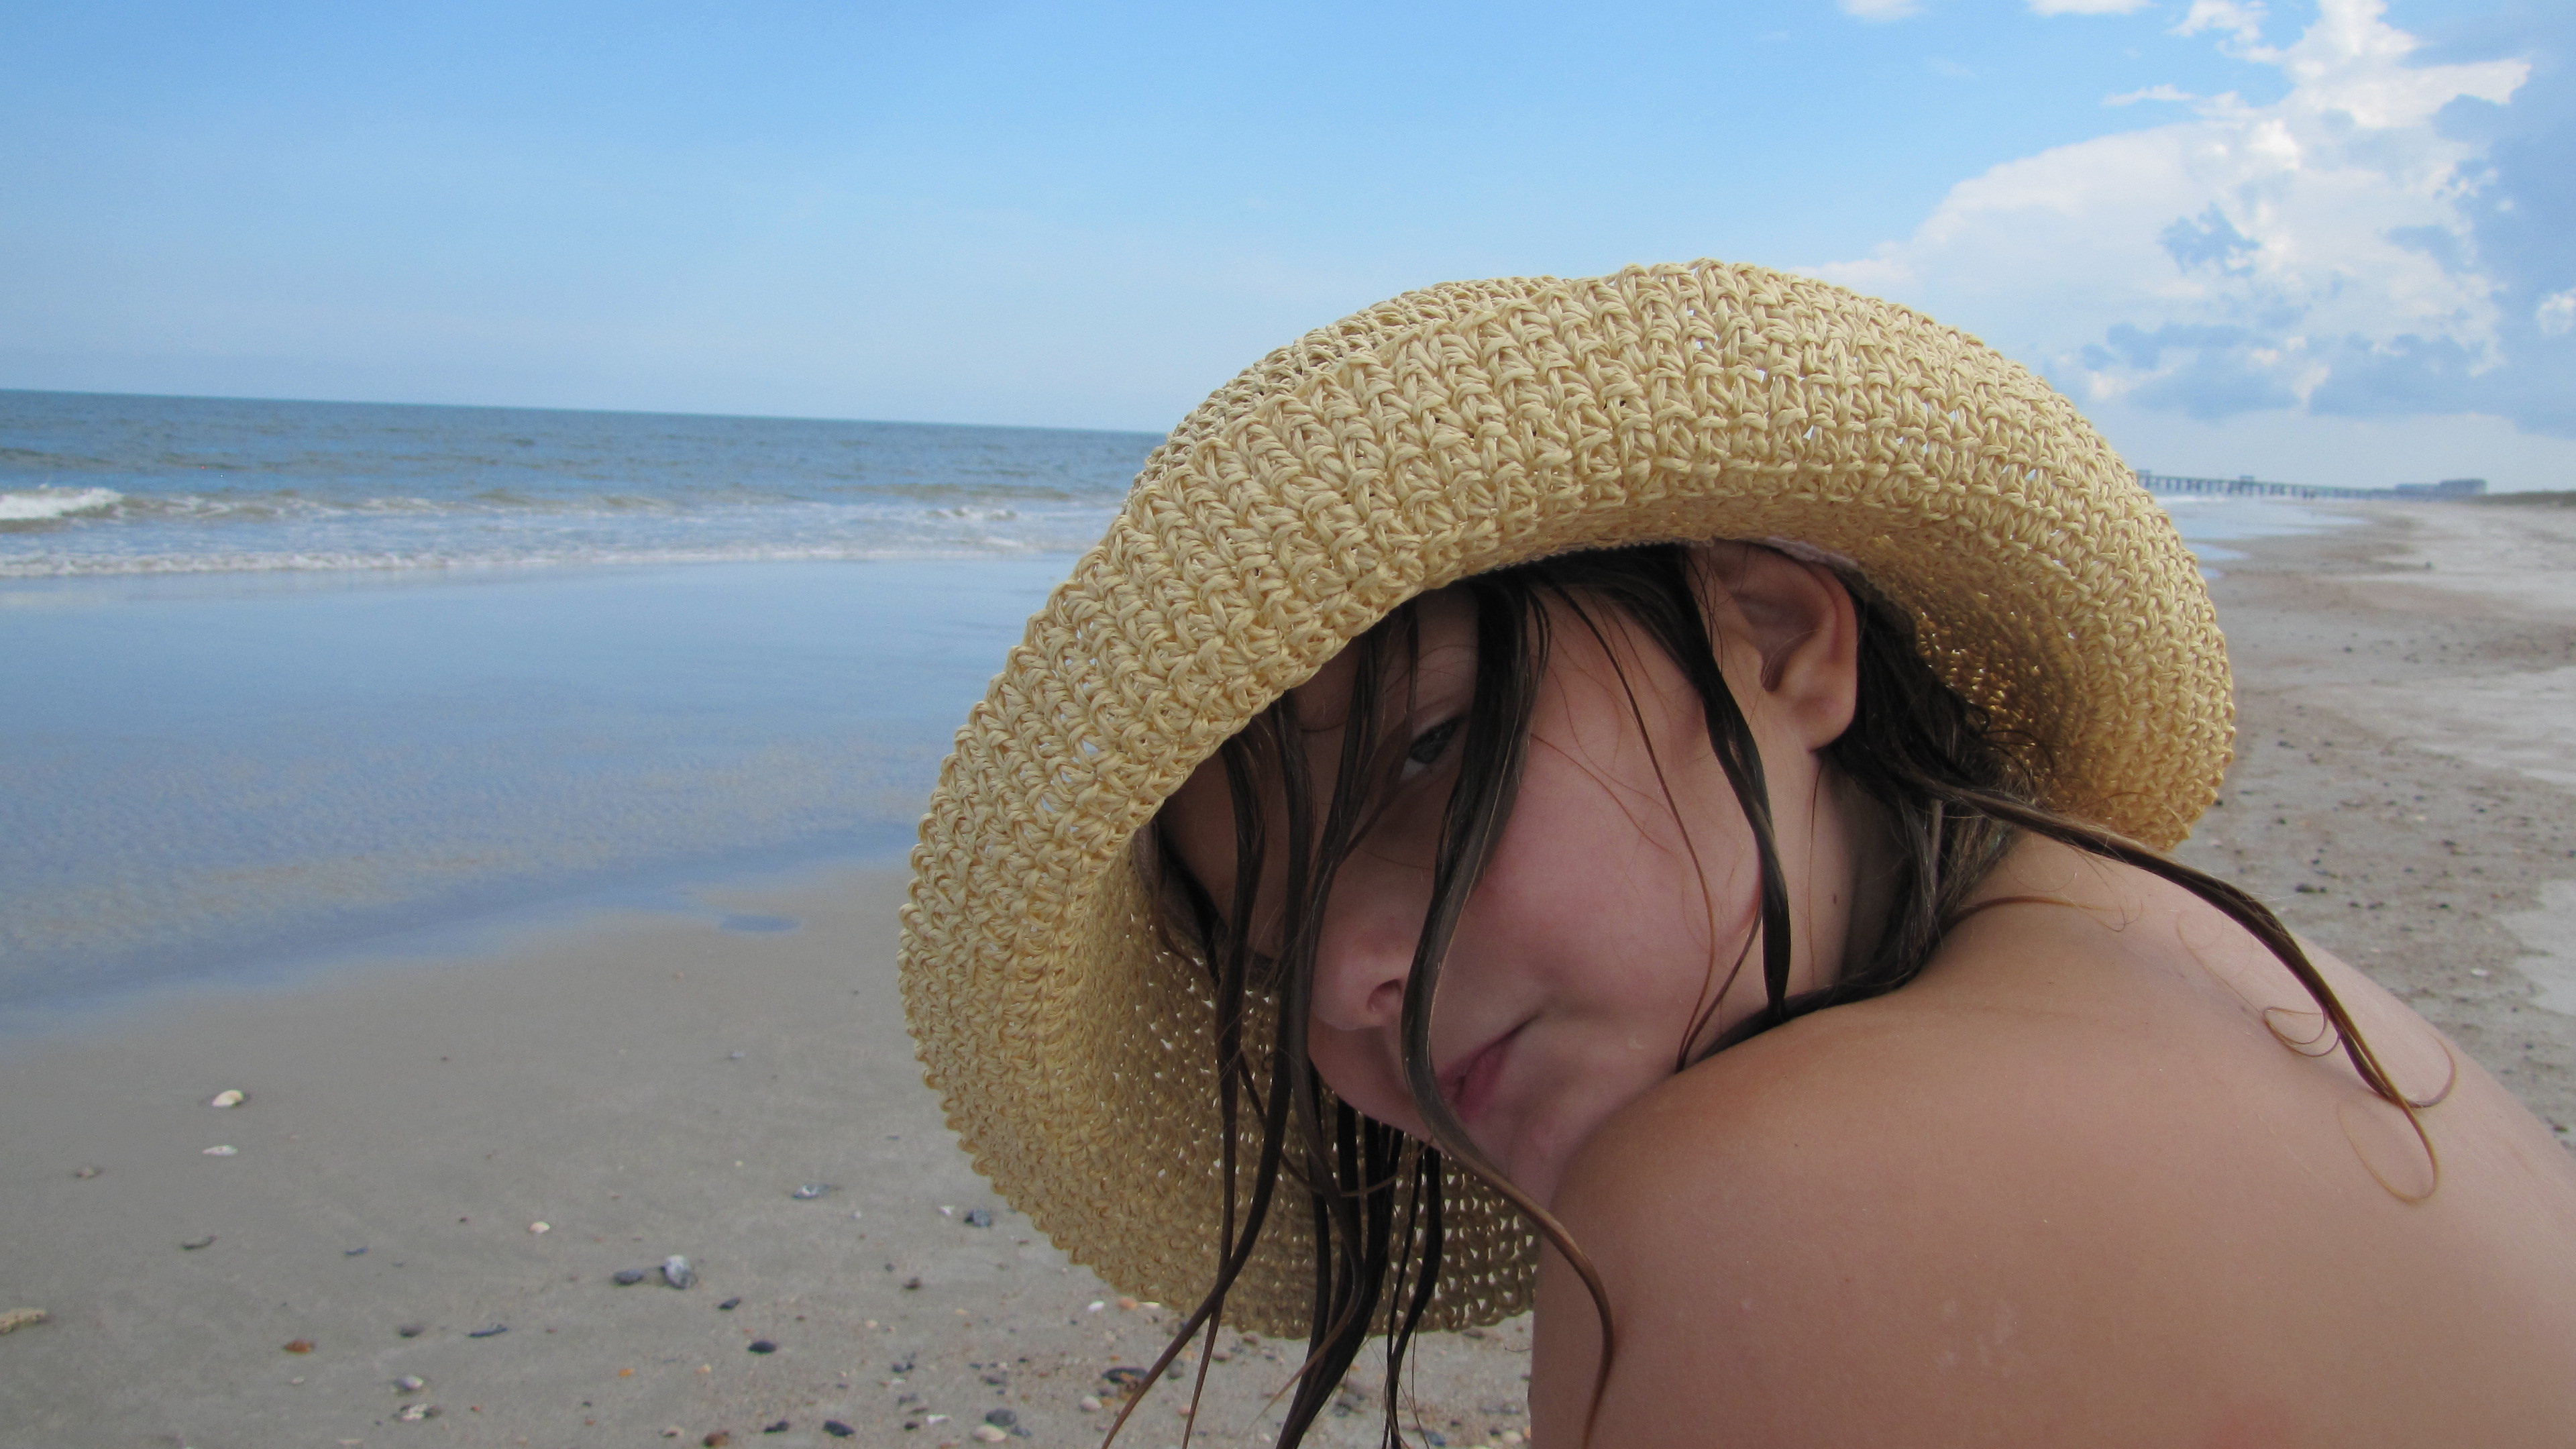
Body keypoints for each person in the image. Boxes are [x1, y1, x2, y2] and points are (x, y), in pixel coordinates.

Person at [900, 261, 2576, 1447]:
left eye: (1424, 755)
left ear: (1780, 637)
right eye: (1276, 950)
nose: (1347, 980)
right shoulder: (2268, 1009)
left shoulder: (1762, 1206)